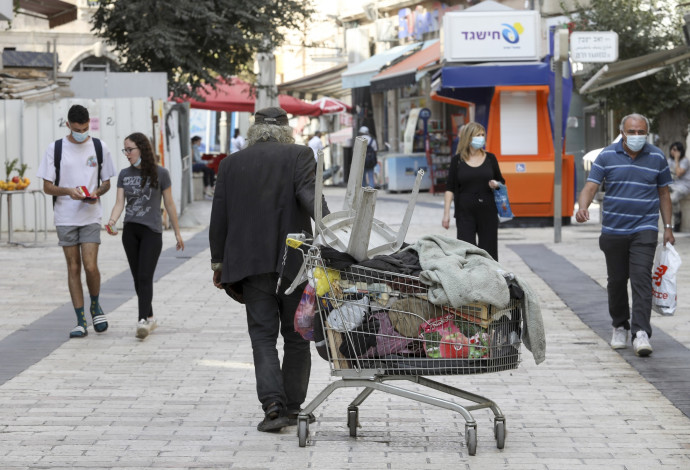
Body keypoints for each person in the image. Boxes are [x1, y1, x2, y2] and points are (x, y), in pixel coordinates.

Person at [209, 107, 330, 433]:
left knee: (262, 338)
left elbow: (218, 216)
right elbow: (314, 204)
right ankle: (293, 407)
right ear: (286, 131)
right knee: (296, 337)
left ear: (255, 131)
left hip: (250, 267)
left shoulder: (231, 164)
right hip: (295, 265)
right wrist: (335, 238)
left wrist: (218, 263)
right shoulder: (300, 155)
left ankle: (273, 405)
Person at [576, 113, 674, 357]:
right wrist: (583, 207)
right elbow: (590, 186)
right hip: (614, 231)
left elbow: (663, 193)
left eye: (641, 132)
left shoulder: (657, 157)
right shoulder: (607, 155)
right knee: (617, 281)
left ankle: (641, 332)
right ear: (622, 132)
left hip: (645, 228)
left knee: (641, 278)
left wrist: (669, 227)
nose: (637, 136)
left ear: (647, 133)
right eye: (632, 132)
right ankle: (620, 324)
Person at [36, 104, 117, 338]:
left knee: (90, 265)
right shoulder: (56, 149)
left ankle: (95, 305)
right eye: (77, 128)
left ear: (89, 123)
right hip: (65, 217)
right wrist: (69, 192)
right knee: (73, 267)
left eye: (85, 128)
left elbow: (106, 182)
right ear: (67, 125)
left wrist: (96, 194)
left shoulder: (100, 147)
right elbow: (47, 187)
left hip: (90, 215)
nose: (82, 132)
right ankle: (80, 319)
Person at [106, 132, 185, 339]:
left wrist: (177, 232)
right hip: (130, 231)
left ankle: (142, 321)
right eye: (125, 150)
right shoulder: (124, 174)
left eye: (130, 149)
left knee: (145, 276)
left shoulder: (161, 173)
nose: (127, 154)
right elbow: (119, 203)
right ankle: (149, 316)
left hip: (152, 231)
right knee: (137, 277)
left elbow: (169, 203)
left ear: (142, 148)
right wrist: (112, 221)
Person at [442, 122, 504, 261]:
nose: (481, 138)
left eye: (483, 135)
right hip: (464, 212)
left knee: (489, 252)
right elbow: (450, 188)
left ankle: (490, 279)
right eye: (478, 135)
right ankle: (470, 280)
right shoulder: (457, 161)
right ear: (468, 137)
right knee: (467, 251)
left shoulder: (490, 159)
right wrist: (446, 215)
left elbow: (501, 181)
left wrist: (496, 184)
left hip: (488, 211)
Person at [667, 141, 690, 230]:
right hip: (673, 185)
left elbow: (679, 173)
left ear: (680, 151)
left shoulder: (685, 160)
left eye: (675, 150)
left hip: (683, 186)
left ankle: (677, 219)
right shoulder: (669, 160)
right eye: (672, 149)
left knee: (673, 198)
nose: (673, 152)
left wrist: (677, 159)